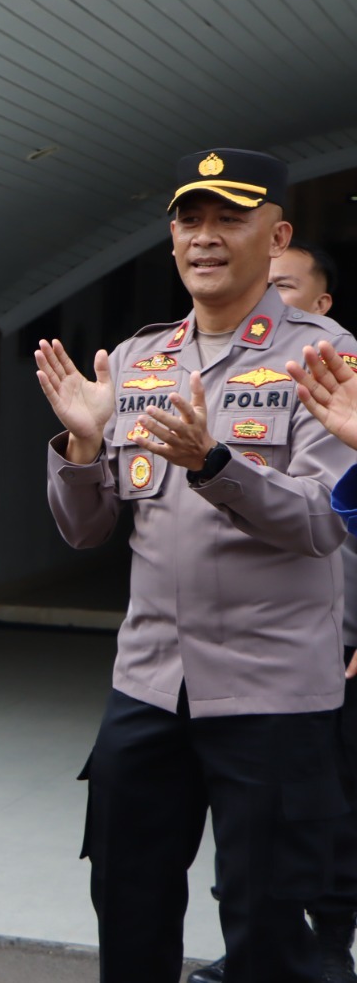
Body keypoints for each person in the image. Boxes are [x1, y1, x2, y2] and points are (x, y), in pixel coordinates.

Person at [37, 149, 356, 983]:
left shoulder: (324, 358)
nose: (203, 237)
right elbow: (86, 529)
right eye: (189, 219)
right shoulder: (141, 358)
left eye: (228, 218)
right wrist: (79, 443)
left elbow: (324, 523)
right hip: (149, 684)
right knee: (129, 902)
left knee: (267, 927)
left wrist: (218, 465)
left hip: (273, 693)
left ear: (276, 233)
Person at [185, 247, 356, 983]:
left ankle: (323, 951)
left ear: (320, 304)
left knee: (324, 825)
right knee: (264, 836)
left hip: (327, 645)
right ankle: (270, 953)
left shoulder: (337, 381)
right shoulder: (223, 371)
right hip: (289, 637)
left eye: (285, 288)